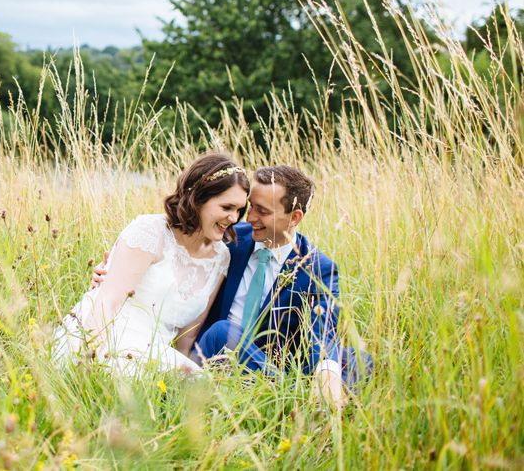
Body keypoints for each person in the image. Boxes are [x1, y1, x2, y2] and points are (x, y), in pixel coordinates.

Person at [94, 164, 370, 407]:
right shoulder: (228, 238)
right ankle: (290, 397)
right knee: (224, 331)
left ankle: (307, 391)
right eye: (249, 208)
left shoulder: (317, 268)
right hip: (206, 349)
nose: (246, 219)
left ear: (294, 217)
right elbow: (168, 247)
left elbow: (323, 333)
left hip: (260, 361)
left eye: (262, 212)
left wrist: (327, 371)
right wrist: (113, 275)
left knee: (353, 359)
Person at [53, 154, 250, 374]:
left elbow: (187, 338)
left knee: (199, 386)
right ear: (198, 198)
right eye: (227, 207)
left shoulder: (221, 256)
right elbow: (107, 301)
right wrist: (86, 359)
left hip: (156, 351)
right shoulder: (150, 232)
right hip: (107, 331)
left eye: (239, 210)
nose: (234, 218)